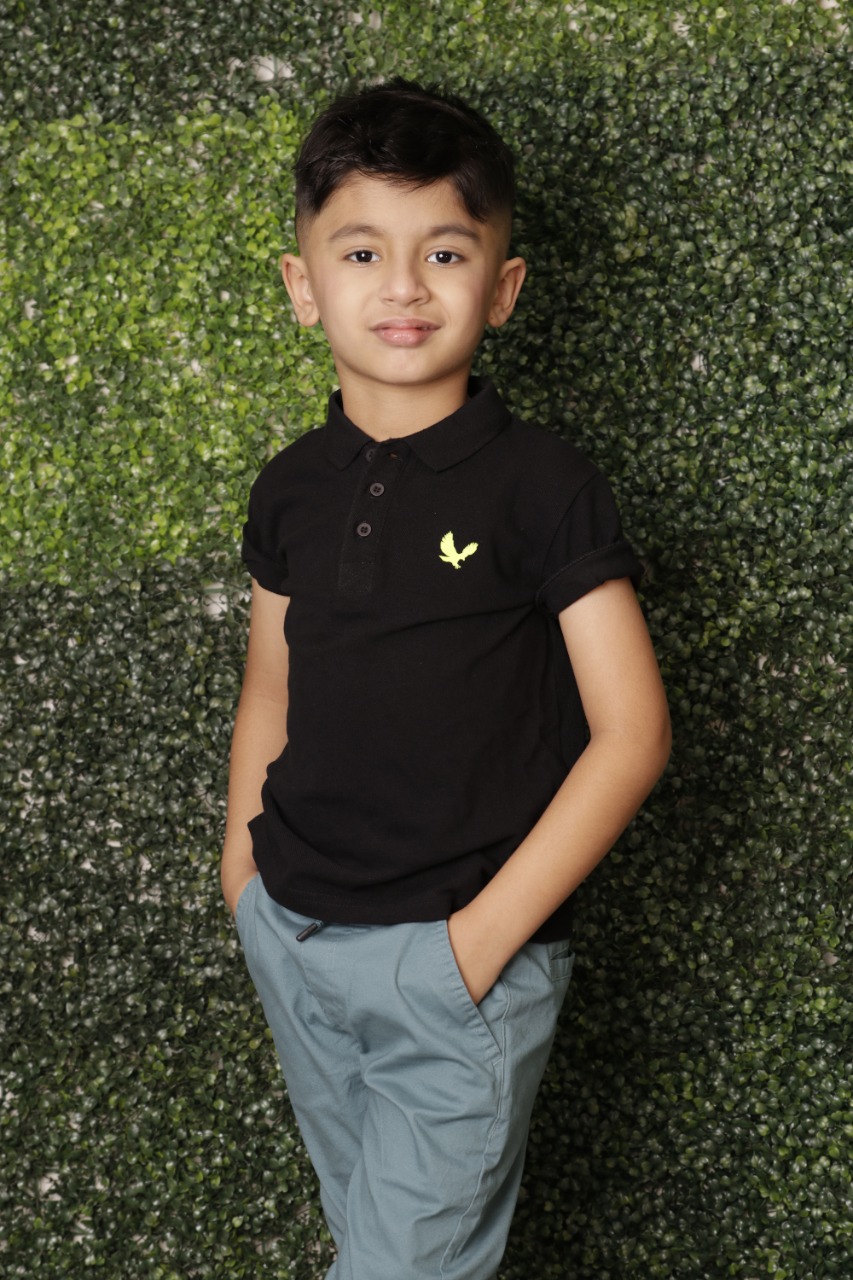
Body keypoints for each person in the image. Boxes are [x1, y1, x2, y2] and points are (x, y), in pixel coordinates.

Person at [221, 78, 671, 1280]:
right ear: (303, 285)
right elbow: (271, 682)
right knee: (370, 1238)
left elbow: (631, 732)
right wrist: (242, 877)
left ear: (502, 287)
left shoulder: (545, 486)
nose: (404, 285)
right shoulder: (289, 487)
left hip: (455, 967)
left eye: (446, 251)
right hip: (294, 934)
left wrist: (477, 946)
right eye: (362, 250)